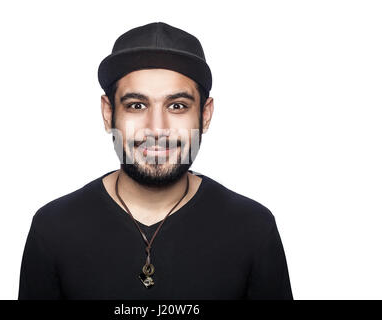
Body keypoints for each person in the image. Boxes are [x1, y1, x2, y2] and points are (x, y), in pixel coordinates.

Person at [18, 22, 293, 300]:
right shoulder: (54, 229)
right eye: (137, 105)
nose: (157, 128)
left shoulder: (253, 229)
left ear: (205, 115)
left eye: (177, 106)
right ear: (107, 113)